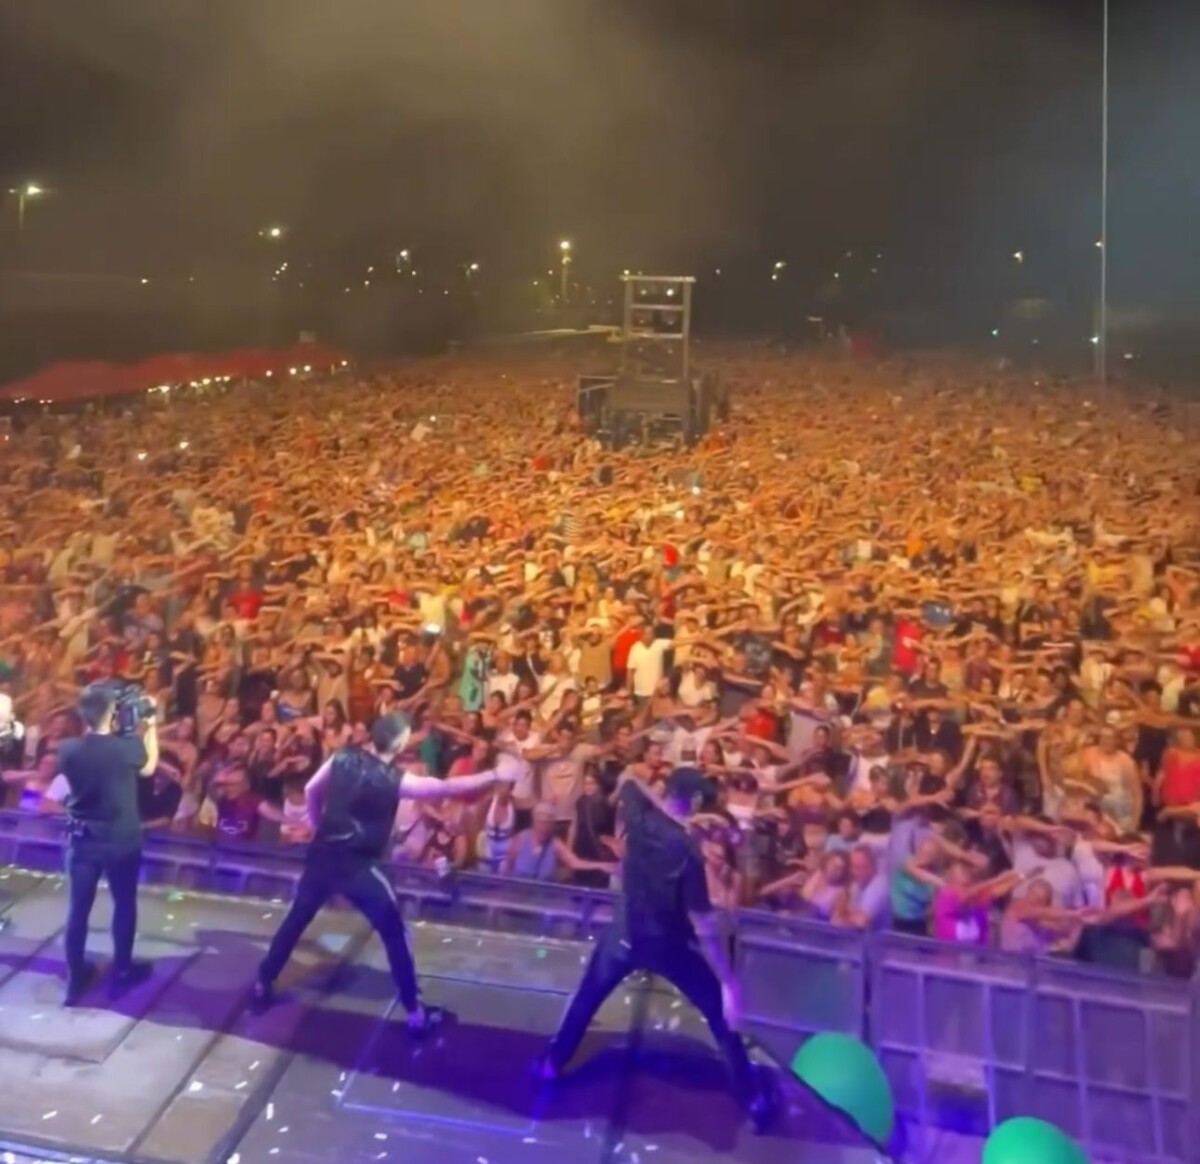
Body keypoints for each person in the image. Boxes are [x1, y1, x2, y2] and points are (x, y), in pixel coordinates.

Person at [533, 766, 777, 1133]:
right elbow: (704, 927)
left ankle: (552, 1064)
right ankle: (751, 1096)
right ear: (694, 801)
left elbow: (630, 780)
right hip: (668, 945)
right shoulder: (688, 854)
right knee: (718, 1013)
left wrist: (672, 808)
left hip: (624, 936)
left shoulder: (641, 817)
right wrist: (727, 982)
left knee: (587, 999)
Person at [250, 710, 516, 1032]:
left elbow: (310, 792)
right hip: (359, 866)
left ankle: (263, 982)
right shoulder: (395, 780)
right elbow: (445, 787)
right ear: (401, 743)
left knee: (296, 920)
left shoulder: (342, 756)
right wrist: (494, 775)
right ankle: (416, 1014)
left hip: (322, 857)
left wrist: (321, 830)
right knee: (395, 933)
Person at [59, 680, 160, 1005]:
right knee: (124, 904)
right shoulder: (125, 748)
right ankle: (122, 971)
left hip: (83, 841)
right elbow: (149, 767)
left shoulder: (68, 749)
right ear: (113, 712)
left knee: (78, 910)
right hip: (121, 841)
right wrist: (152, 726)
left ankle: (75, 977)